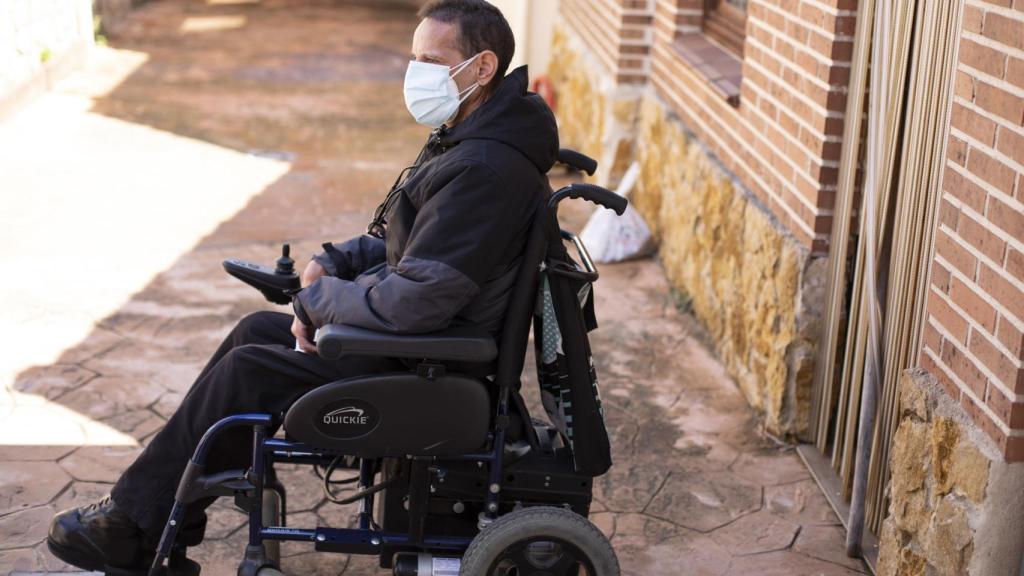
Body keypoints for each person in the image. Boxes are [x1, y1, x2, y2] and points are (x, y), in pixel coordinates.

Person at [46, 0, 559, 571]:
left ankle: (132, 524)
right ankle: (160, 519)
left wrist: (315, 304)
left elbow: (419, 298)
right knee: (253, 334)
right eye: (414, 59)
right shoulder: (474, 139)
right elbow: (416, 243)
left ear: (482, 68)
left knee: (250, 370)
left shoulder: (486, 168)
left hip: (428, 361)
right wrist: (335, 260)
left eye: (433, 61)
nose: (417, 75)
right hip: (419, 344)